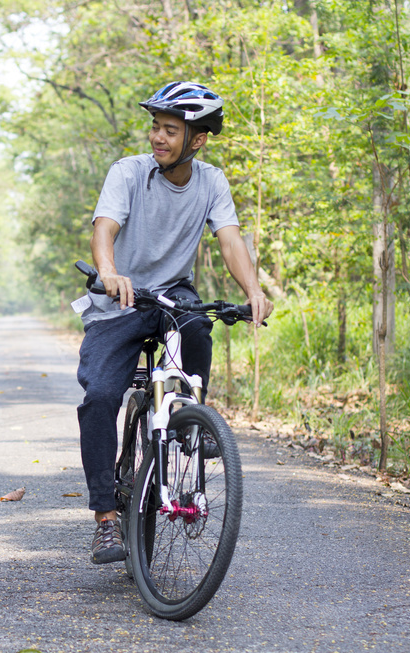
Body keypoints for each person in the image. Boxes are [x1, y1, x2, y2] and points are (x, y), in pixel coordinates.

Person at [76, 81, 274, 564]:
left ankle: (191, 415)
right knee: (101, 397)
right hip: (119, 298)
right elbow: (105, 227)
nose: (157, 138)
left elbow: (229, 240)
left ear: (197, 140)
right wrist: (108, 273)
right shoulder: (128, 172)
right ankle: (105, 518)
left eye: (169, 130)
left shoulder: (212, 182)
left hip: (171, 294)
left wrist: (253, 290)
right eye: (155, 128)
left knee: (198, 325)